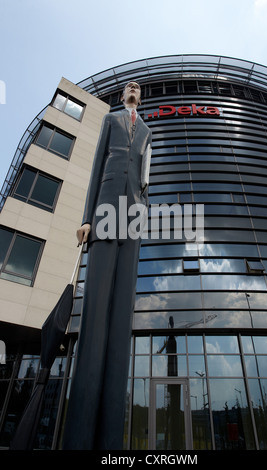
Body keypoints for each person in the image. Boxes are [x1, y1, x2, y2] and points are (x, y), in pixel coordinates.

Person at [63, 82, 152, 450]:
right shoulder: (110, 119)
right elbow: (98, 164)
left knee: (120, 323)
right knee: (96, 310)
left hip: (134, 217)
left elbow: (146, 175)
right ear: (123, 97)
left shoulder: (148, 131)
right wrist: (87, 218)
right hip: (104, 211)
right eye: (129, 88)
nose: (132, 90)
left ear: (140, 98)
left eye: (136, 88)